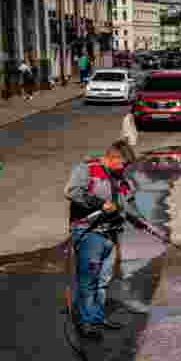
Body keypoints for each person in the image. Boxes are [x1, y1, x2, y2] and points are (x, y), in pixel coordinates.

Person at [64, 140, 146, 339]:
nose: (126, 169)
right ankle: (87, 322)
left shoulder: (121, 178)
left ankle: (97, 317)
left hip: (111, 233)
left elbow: (129, 203)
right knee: (88, 280)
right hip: (89, 232)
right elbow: (73, 192)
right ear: (113, 157)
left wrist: (140, 221)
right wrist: (100, 204)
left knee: (103, 280)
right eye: (124, 164)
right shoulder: (87, 169)